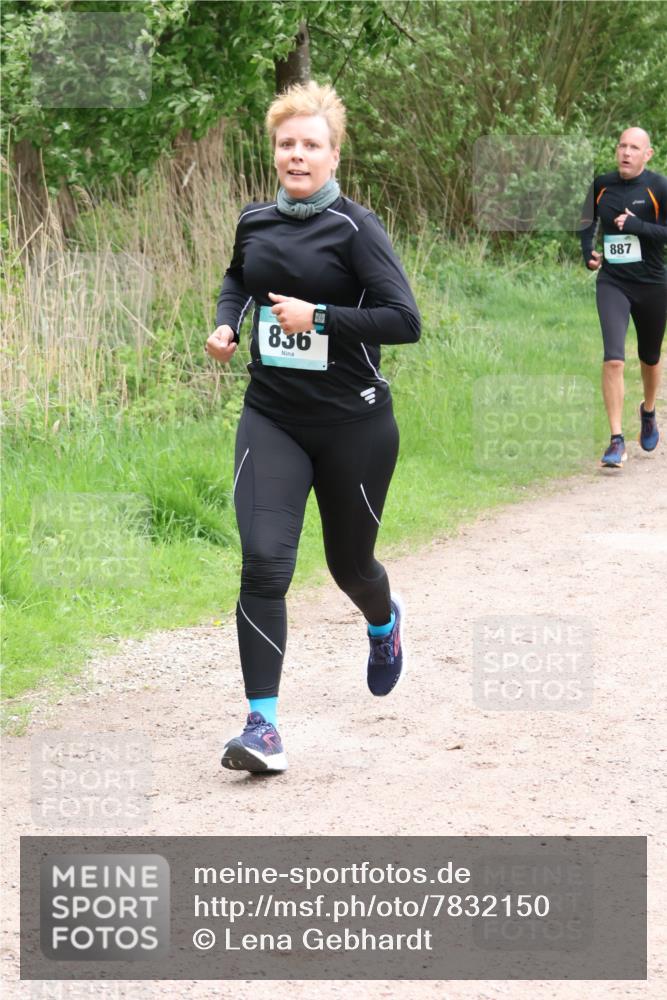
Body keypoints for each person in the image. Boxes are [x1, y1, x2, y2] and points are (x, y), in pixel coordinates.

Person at [205, 81, 420, 773]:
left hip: (353, 424)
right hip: (271, 416)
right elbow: (238, 279)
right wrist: (224, 322)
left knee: (348, 565)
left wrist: (318, 317)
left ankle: (383, 625)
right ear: (274, 152)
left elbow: (403, 321)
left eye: (311, 145)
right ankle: (261, 727)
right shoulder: (254, 219)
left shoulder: (357, 230)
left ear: (333, 157)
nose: (297, 155)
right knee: (264, 563)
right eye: (286, 144)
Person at [580, 126, 667, 468]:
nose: (626, 153)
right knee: (614, 358)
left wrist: (636, 225)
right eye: (622, 146)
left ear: (647, 155)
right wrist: (588, 251)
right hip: (613, 282)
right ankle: (616, 440)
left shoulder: (659, 187)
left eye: (634, 148)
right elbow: (586, 221)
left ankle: (647, 409)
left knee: (650, 358)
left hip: (653, 285)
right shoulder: (602, 185)